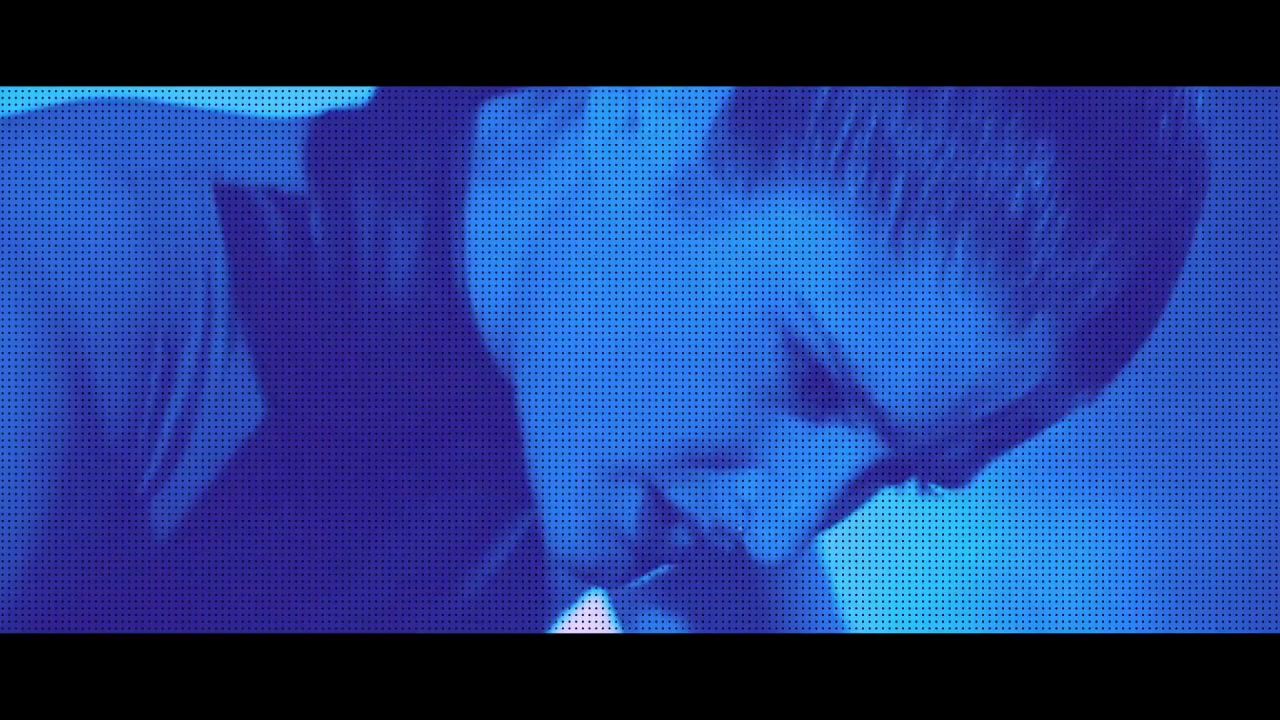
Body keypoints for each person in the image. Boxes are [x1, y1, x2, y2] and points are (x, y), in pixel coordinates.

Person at [0, 87, 1208, 632]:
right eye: (809, 376)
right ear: (653, 103)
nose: (783, 530)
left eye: (892, 476)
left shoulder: (621, 424)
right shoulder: (63, 286)